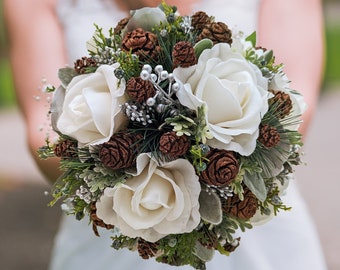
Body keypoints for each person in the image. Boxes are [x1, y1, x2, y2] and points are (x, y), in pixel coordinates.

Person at [4, 0, 326, 269]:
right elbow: (43, 129)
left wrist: (207, 170)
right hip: (115, 229)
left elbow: (295, 104)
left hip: (257, 233)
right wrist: (142, 187)